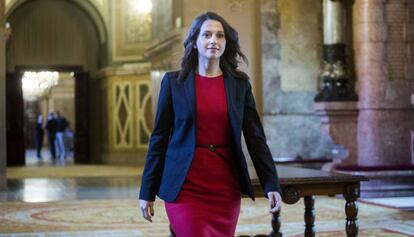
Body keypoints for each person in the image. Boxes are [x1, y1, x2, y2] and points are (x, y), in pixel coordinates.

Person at [139, 12, 282, 237]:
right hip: (185, 185)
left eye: (220, 36)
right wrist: (147, 190)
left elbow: (255, 138)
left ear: (226, 43)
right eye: (206, 35)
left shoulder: (239, 84)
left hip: (225, 186)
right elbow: (158, 139)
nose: (214, 40)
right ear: (195, 42)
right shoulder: (173, 82)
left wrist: (271, 183)